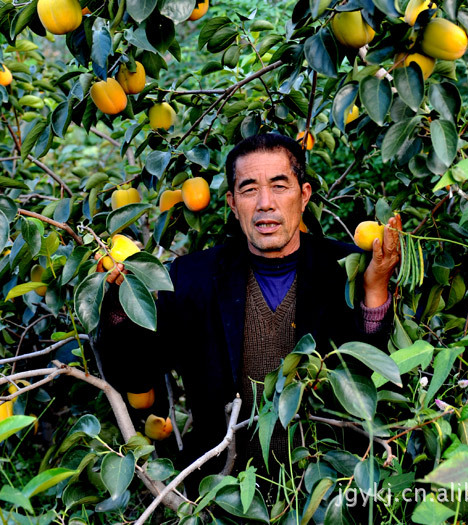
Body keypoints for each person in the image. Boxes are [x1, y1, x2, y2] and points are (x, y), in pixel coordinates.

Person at [97, 132, 400, 484]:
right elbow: (134, 373)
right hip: (222, 485)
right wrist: (122, 299)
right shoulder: (191, 277)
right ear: (232, 202)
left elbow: (371, 375)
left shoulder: (344, 267)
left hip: (329, 481)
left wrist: (376, 285)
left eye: (279, 186)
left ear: (303, 197)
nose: (265, 203)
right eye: (249, 189)